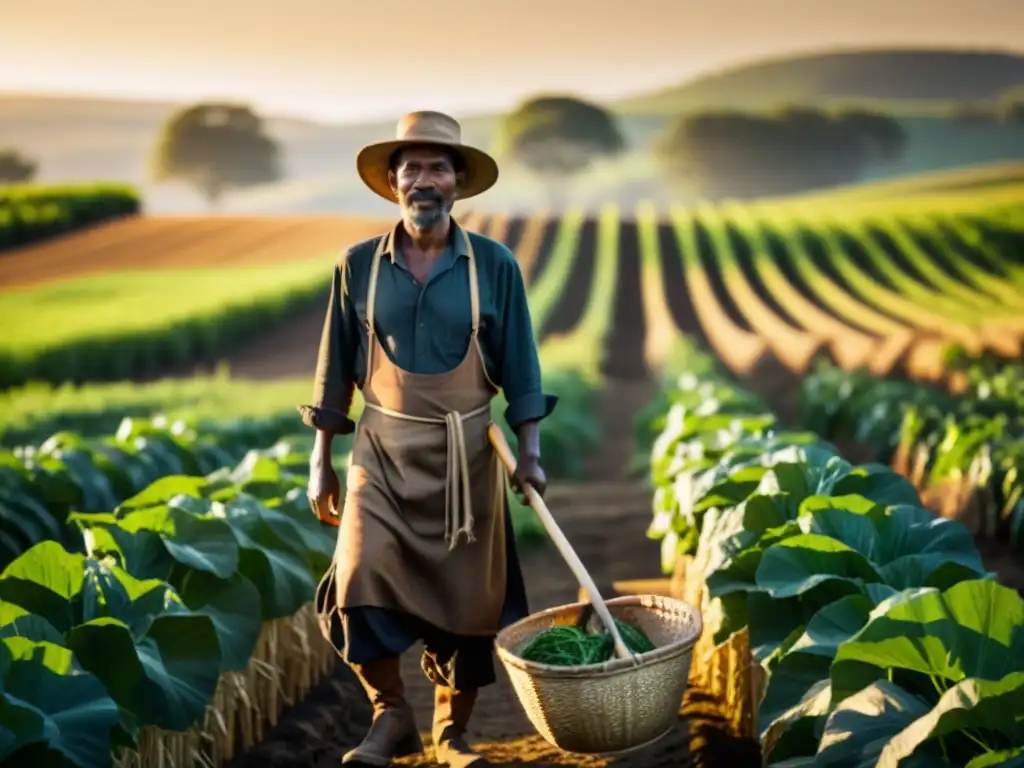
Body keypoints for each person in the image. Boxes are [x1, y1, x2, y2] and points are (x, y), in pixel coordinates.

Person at [299, 110, 557, 768]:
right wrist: (320, 460)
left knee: (468, 602)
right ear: (391, 183)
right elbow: (335, 369)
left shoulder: (493, 266)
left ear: (458, 183)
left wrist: (529, 452)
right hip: (380, 454)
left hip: (466, 456)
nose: (423, 179)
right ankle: (391, 716)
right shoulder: (356, 265)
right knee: (357, 581)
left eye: (437, 167)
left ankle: (452, 733)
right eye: (410, 167)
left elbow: (522, 366)